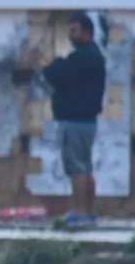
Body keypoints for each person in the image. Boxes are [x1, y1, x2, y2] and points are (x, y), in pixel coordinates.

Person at [37, 12, 106, 225]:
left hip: (74, 121)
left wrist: (45, 65)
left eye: (74, 31)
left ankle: (80, 212)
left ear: (87, 33)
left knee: (76, 168)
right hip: (85, 121)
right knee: (85, 167)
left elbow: (59, 75)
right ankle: (89, 211)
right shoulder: (91, 56)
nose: (70, 35)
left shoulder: (84, 57)